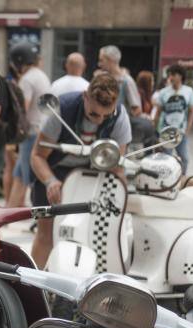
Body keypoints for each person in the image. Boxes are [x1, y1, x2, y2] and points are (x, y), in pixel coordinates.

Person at [30, 73, 132, 267]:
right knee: (46, 236)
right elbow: (37, 155)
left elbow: (117, 166)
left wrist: (121, 198)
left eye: (106, 115)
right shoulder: (61, 109)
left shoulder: (120, 116)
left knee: (91, 236)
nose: (99, 121)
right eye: (94, 114)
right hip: (55, 172)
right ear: (85, 96)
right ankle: (31, 282)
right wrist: (50, 181)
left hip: (93, 176)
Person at [9, 41, 52, 208]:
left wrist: (12, 133)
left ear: (19, 61)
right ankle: (10, 213)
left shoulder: (27, 80)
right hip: (40, 131)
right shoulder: (41, 75)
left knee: (32, 180)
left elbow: (22, 110)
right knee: (19, 176)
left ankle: (38, 215)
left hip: (31, 134)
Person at [153, 63, 193, 174]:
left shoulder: (188, 91)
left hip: (181, 131)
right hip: (166, 131)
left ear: (180, 76)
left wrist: (188, 129)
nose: (170, 77)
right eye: (169, 75)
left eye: (173, 74)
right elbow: (158, 113)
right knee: (166, 159)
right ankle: (168, 180)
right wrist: (155, 131)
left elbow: (192, 111)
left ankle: (182, 178)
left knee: (185, 158)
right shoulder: (163, 92)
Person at [98, 45, 141, 117]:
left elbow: (137, 110)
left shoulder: (126, 81)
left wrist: (121, 121)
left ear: (110, 60)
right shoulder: (101, 78)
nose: (99, 64)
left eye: (102, 60)